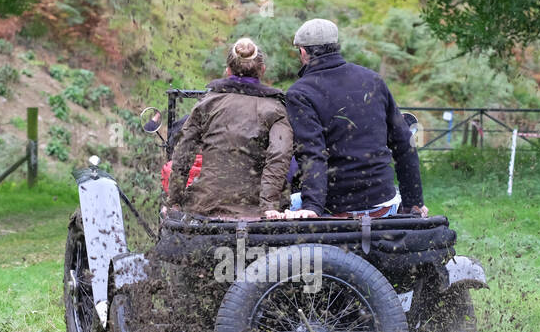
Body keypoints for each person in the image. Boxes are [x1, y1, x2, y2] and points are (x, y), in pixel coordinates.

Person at [283, 18, 429, 219]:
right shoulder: (373, 80)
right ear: (336, 47)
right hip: (384, 204)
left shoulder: (299, 93)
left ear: (303, 52)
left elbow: (312, 154)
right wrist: (414, 203)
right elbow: (404, 143)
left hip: (336, 209)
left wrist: (313, 208)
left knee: (284, 204)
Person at [165, 37, 293, 220]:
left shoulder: (206, 104)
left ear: (228, 71)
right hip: (256, 211)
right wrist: (268, 206)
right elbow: (279, 157)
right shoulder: (276, 110)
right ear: (262, 70)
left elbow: (183, 154)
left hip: (205, 206)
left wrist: (174, 201)